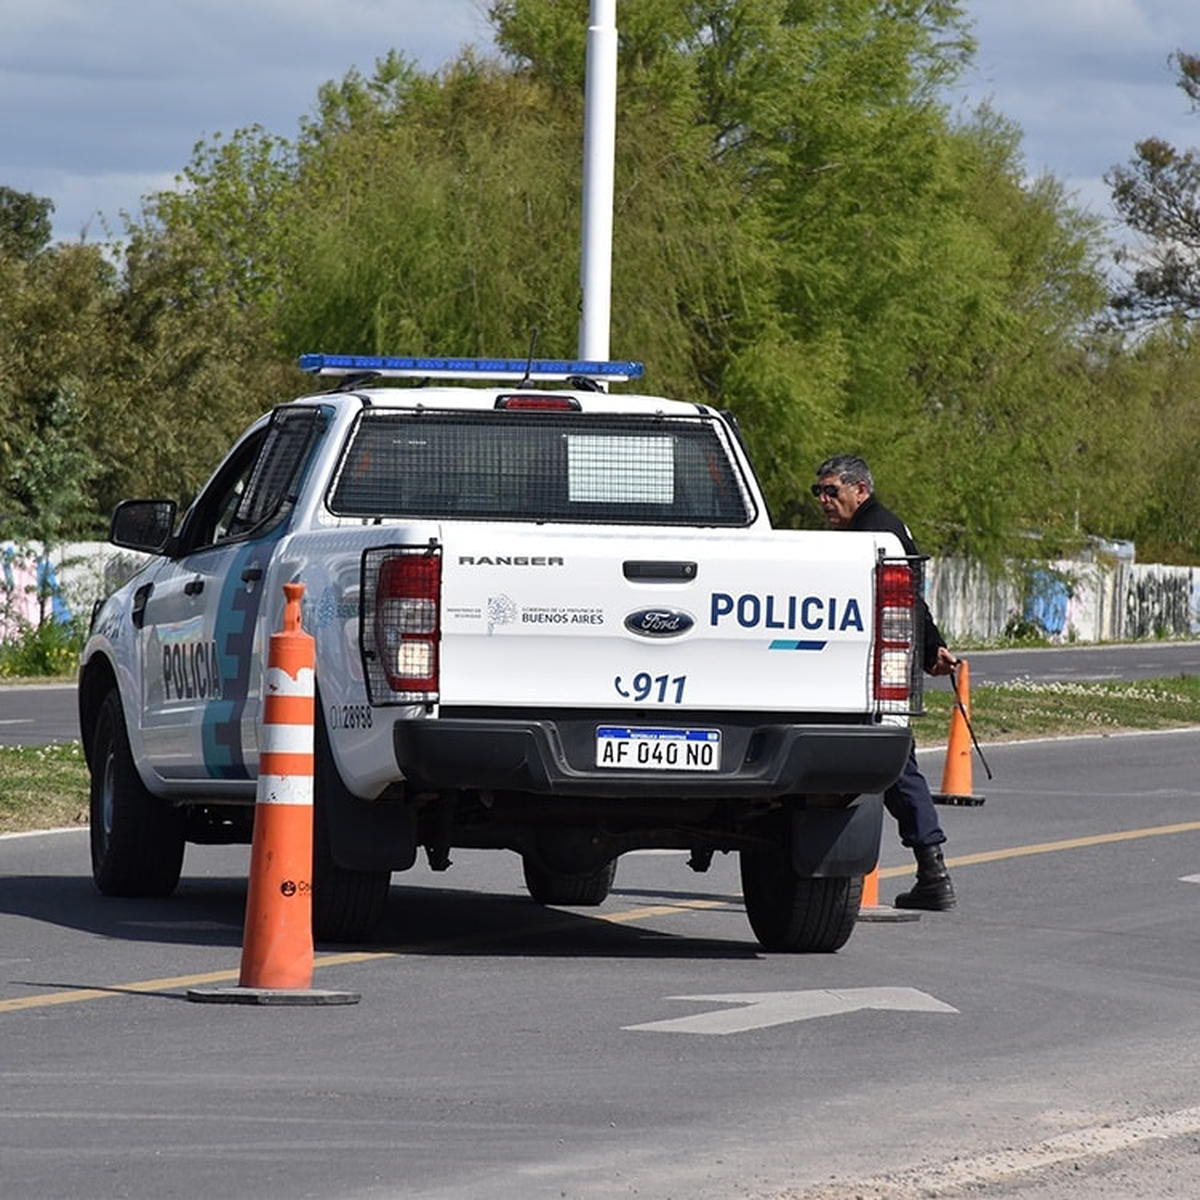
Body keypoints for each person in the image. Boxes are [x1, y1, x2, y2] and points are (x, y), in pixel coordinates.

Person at [812, 453, 957, 911]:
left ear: (861, 490)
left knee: (896, 766)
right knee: (893, 765)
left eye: (832, 490)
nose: (823, 500)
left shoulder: (877, 531)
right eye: (818, 492)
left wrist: (929, 646)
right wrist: (934, 646)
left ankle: (932, 872)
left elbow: (907, 600)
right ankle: (928, 869)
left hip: (884, 667)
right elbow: (915, 597)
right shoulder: (871, 530)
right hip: (881, 662)